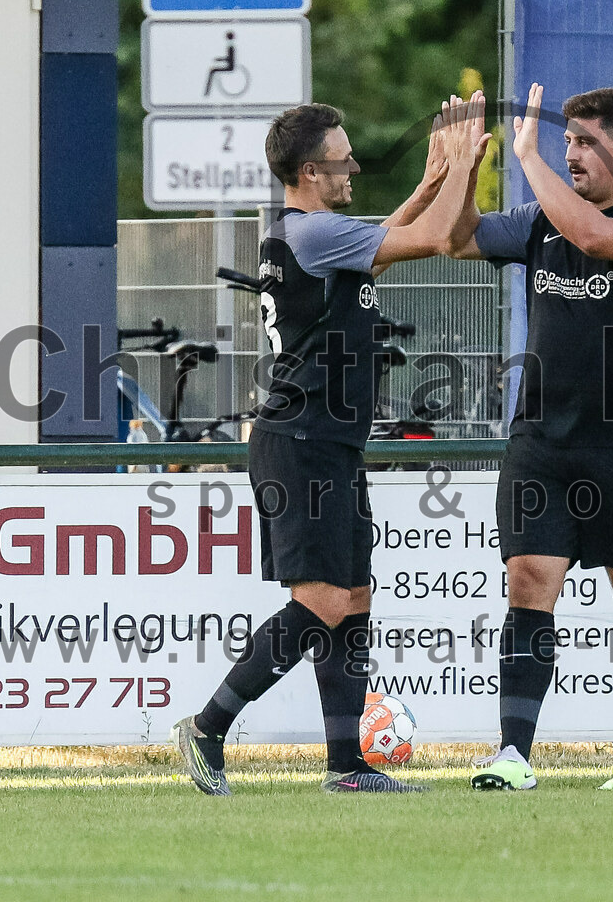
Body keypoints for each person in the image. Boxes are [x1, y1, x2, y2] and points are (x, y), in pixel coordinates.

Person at [171, 95, 488, 795]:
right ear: (312, 171)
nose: (354, 167)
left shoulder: (320, 235)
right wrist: (461, 167)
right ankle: (207, 727)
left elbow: (388, 239)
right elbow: (432, 240)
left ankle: (348, 767)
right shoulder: (313, 235)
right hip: (300, 443)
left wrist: (434, 181)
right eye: (343, 158)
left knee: (353, 596)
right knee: (319, 601)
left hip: (329, 444)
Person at [446, 83, 613, 791]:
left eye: (585, 143)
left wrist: (526, 156)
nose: (572, 154)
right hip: (541, 441)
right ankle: (513, 756)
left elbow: (594, 236)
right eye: (565, 143)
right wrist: (462, 170)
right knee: (528, 584)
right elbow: (459, 239)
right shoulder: (538, 219)